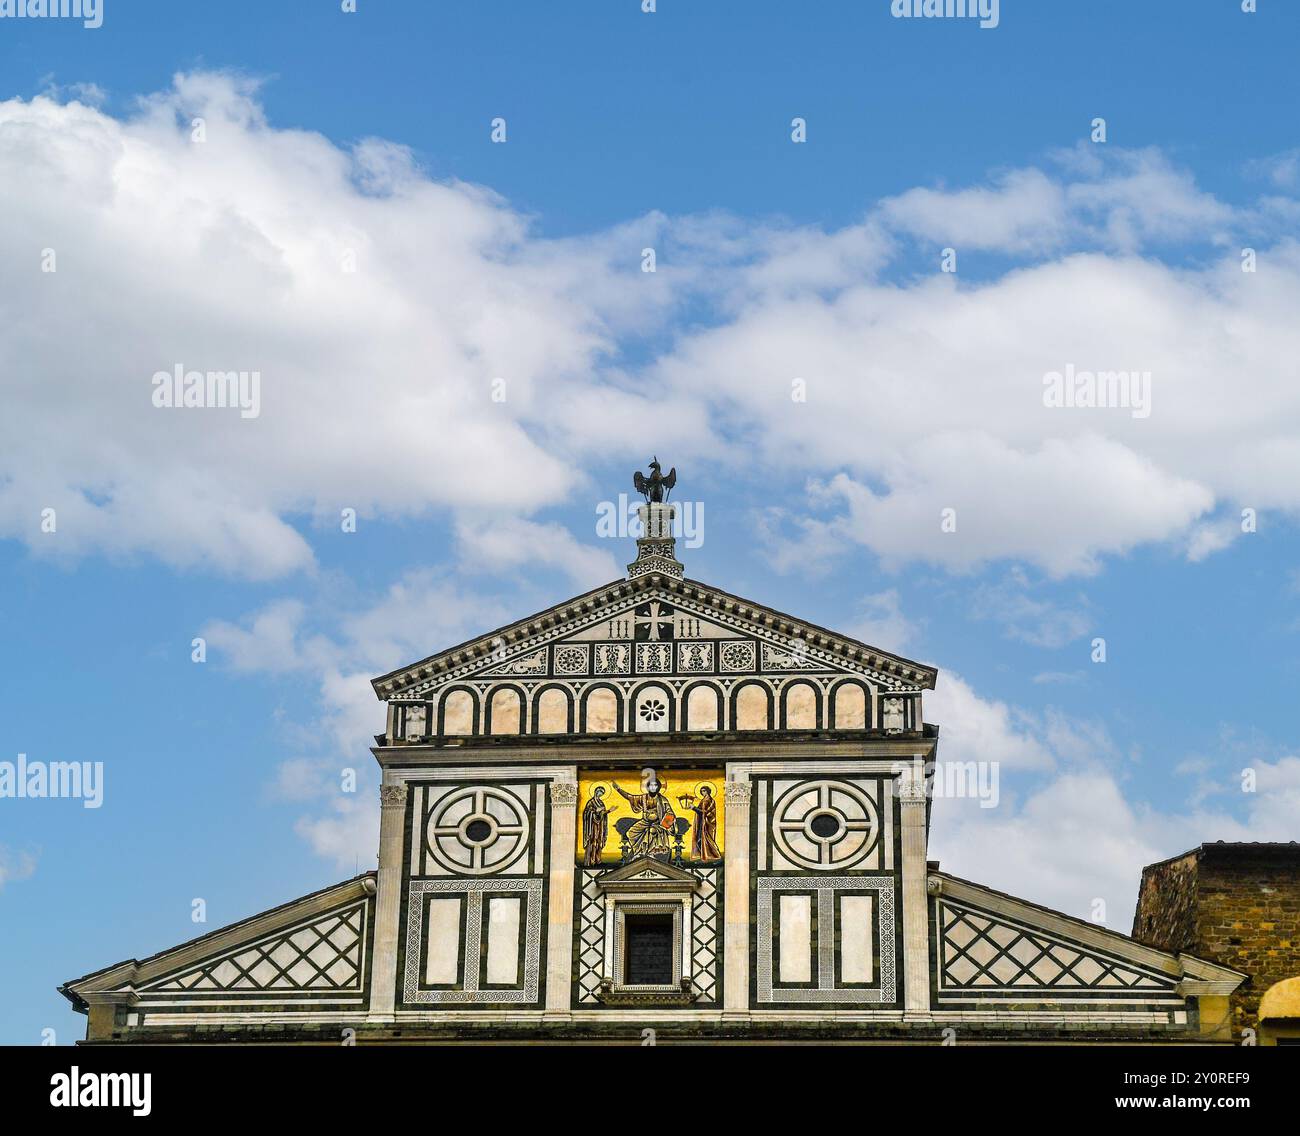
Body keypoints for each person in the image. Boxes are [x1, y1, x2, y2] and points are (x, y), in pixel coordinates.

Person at [613, 774, 676, 859]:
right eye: (651, 785)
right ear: (648, 787)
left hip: (657, 823)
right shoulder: (643, 798)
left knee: (652, 831)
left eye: (655, 785)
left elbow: (669, 812)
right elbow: (630, 797)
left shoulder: (663, 800)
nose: (653, 787)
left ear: (658, 787)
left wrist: (667, 822)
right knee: (631, 833)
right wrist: (618, 789)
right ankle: (638, 852)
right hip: (645, 821)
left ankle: (650, 853)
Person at [582, 786, 612, 866]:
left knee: (599, 841)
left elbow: (602, 813)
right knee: (593, 842)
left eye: (602, 793)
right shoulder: (591, 802)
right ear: (596, 792)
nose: (600, 794)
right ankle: (591, 861)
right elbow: (586, 813)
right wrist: (595, 811)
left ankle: (598, 860)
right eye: (599, 792)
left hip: (600, 826)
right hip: (592, 826)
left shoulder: (601, 802)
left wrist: (608, 811)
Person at [690, 785, 721, 861]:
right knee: (698, 839)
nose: (703, 792)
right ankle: (702, 855)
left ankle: (710, 855)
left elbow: (706, 812)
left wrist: (694, 808)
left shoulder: (709, 800)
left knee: (703, 839)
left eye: (704, 791)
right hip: (701, 822)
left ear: (708, 791)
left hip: (707, 824)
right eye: (702, 791)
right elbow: (701, 812)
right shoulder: (703, 800)